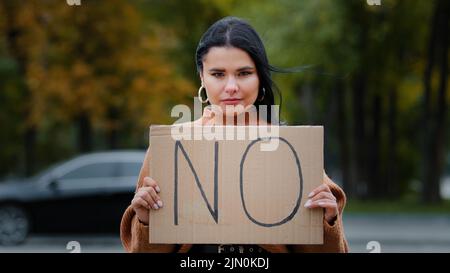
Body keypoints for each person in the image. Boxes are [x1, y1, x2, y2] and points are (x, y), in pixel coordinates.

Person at [120, 16, 348, 253]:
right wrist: (147, 221)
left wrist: (326, 221)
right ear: (202, 76)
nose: (231, 86)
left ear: (259, 77)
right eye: (218, 74)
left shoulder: (290, 148)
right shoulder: (172, 147)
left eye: (243, 73)